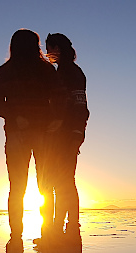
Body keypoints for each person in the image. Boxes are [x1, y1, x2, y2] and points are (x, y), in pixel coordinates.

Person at [0, 29, 63, 246]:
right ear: (36, 46)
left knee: (23, 187)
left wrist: (15, 116)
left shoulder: (8, 71)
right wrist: (54, 119)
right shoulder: (41, 70)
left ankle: (19, 237)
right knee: (41, 186)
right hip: (32, 134)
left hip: (29, 134)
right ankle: (30, 235)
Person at [45, 33, 89, 240]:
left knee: (64, 181)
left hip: (67, 134)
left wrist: (76, 133)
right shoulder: (61, 71)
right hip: (59, 135)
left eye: (49, 48)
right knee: (60, 181)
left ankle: (69, 227)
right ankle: (63, 226)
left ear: (58, 49)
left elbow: (80, 106)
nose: (47, 52)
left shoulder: (72, 72)